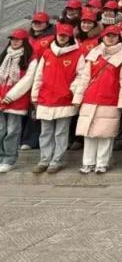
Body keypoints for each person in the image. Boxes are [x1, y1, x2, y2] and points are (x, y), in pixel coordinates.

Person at [73, 25, 122, 174]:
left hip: (110, 99)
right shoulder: (94, 53)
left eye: (114, 36)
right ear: (103, 37)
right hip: (90, 97)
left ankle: (102, 162)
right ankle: (88, 162)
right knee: (88, 133)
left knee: (106, 134)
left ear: (118, 37)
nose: (110, 38)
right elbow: (85, 77)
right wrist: (78, 97)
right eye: (108, 36)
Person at [30, 23, 84, 174]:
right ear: (56, 36)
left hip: (64, 100)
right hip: (45, 98)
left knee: (61, 133)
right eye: (60, 35)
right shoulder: (47, 53)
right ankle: (44, 160)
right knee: (45, 132)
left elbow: (81, 76)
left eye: (65, 36)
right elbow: (39, 76)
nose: (62, 38)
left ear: (70, 37)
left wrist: (71, 91)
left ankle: (56, 160)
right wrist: (35, 95)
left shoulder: (77, 54)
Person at [0, 29, 37, 172]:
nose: (14, 41)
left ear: (24, 41)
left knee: (12, 131)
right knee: (1, 130)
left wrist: (10, 97)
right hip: (1, 99)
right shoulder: (5, 55)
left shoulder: (30, 59)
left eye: (18, 39)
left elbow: (27, 80)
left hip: (16, 101)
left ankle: (9, 159)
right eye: (12, 39)